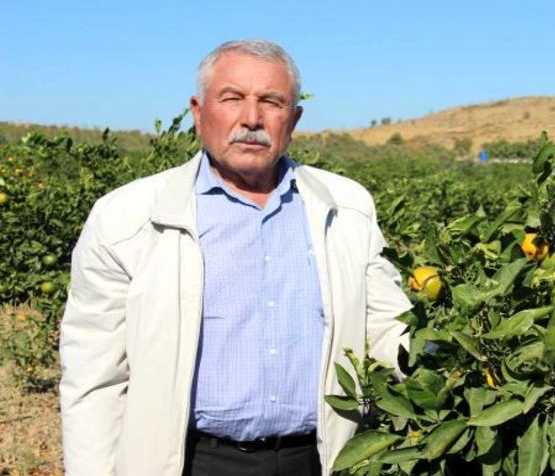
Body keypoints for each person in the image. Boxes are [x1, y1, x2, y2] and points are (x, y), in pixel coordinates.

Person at [59, 39, 412, 476]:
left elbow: (388, 328)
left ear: (294, 119)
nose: (251, 118)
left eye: (271, 102)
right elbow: (94, 379)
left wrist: (455, 361)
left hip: (322, 457)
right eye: (232, 98)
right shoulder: (126, 217)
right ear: (198, 111)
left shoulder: (346, 207)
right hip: (191, 460)